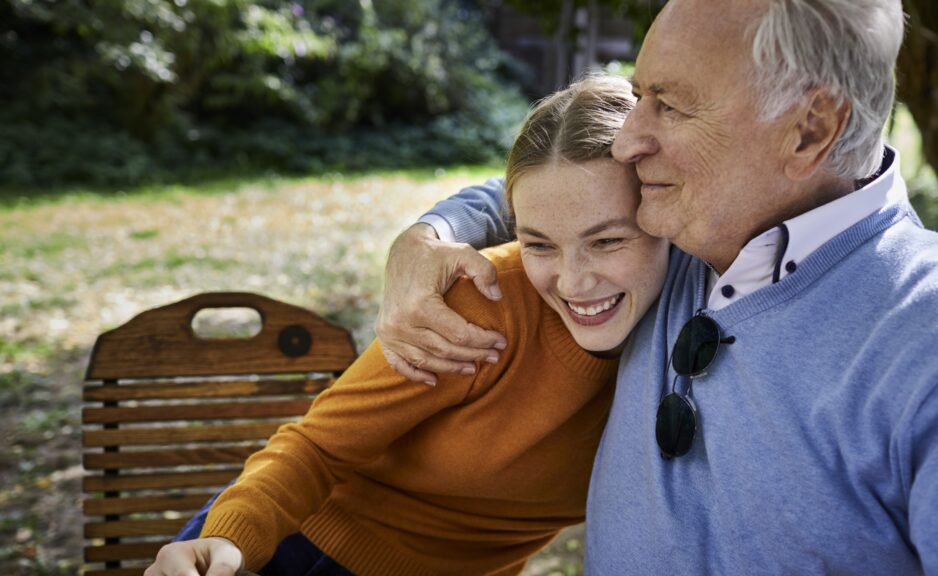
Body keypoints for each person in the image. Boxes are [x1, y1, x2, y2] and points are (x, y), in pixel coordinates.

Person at [376, 0, 938, 573]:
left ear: (810, 130)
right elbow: (552, 190)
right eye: (636, 99)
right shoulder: (673, 234)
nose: (629, 140)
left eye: (670, 105)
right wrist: (428, 236)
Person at [144, 74, 670, 576]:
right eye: (539, 243)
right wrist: (231, 537)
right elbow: (317, 446)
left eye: (607, 241)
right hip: (294, 548)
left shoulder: (691, 326)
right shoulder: (484, 306)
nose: (573, 283)